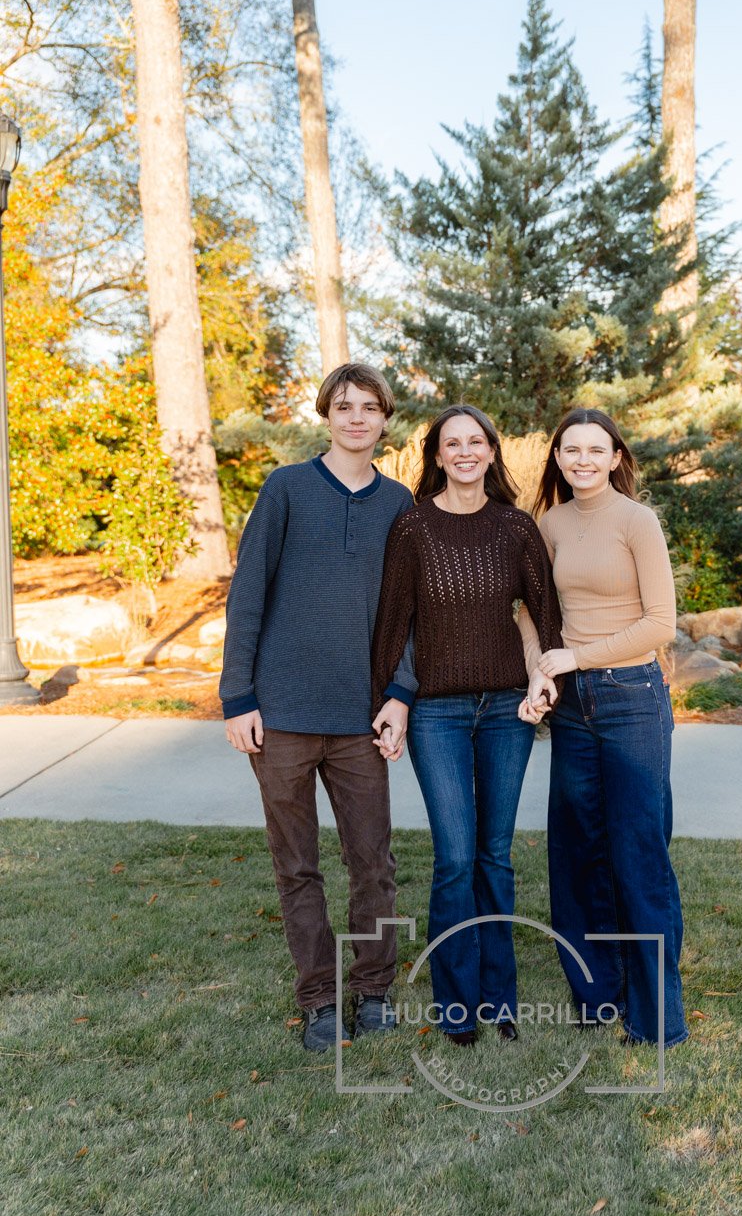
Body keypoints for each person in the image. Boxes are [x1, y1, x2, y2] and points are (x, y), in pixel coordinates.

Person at [220, 362, 416, 1051]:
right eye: (344, 406)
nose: (357, 417)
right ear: (326, 416)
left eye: (369, 406)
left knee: (374, 863)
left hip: (361, 719)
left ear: (385, 419)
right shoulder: (286, 490)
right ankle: (319, 1002)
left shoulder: (400, 505)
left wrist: (400, 695)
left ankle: (372, 991)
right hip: (279, 718)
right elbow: (247, 596)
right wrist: (237, 695)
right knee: (296, 864)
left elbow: (411, 615)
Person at [370, 405, 563, 1047]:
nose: (465, 452)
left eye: (475, 442)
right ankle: (457, 1003)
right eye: (452, 443)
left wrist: (545, 680)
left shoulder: (516, 528)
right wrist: (390, 702)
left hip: (506, 710)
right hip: (438, 714)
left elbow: (547, 614)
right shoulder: (413, 528)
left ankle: (500, 998)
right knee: (455, 858)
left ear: (491, 452)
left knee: (495, 857)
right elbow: (392, 625)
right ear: (437, 456)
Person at [520, 407, 687, 1049]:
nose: (582, 460)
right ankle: (597, 997)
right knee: (576, 850)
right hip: (571, 704)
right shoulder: (552, 522)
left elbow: (660, 624)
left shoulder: (637, 521)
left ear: (616, 457)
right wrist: (541, 671)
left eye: (596, 450)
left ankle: (656, 1017)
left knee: (637, 849)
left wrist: (577, 658)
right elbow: (533, 612)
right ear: (557, 458)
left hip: (632, 697)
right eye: (571, 450)